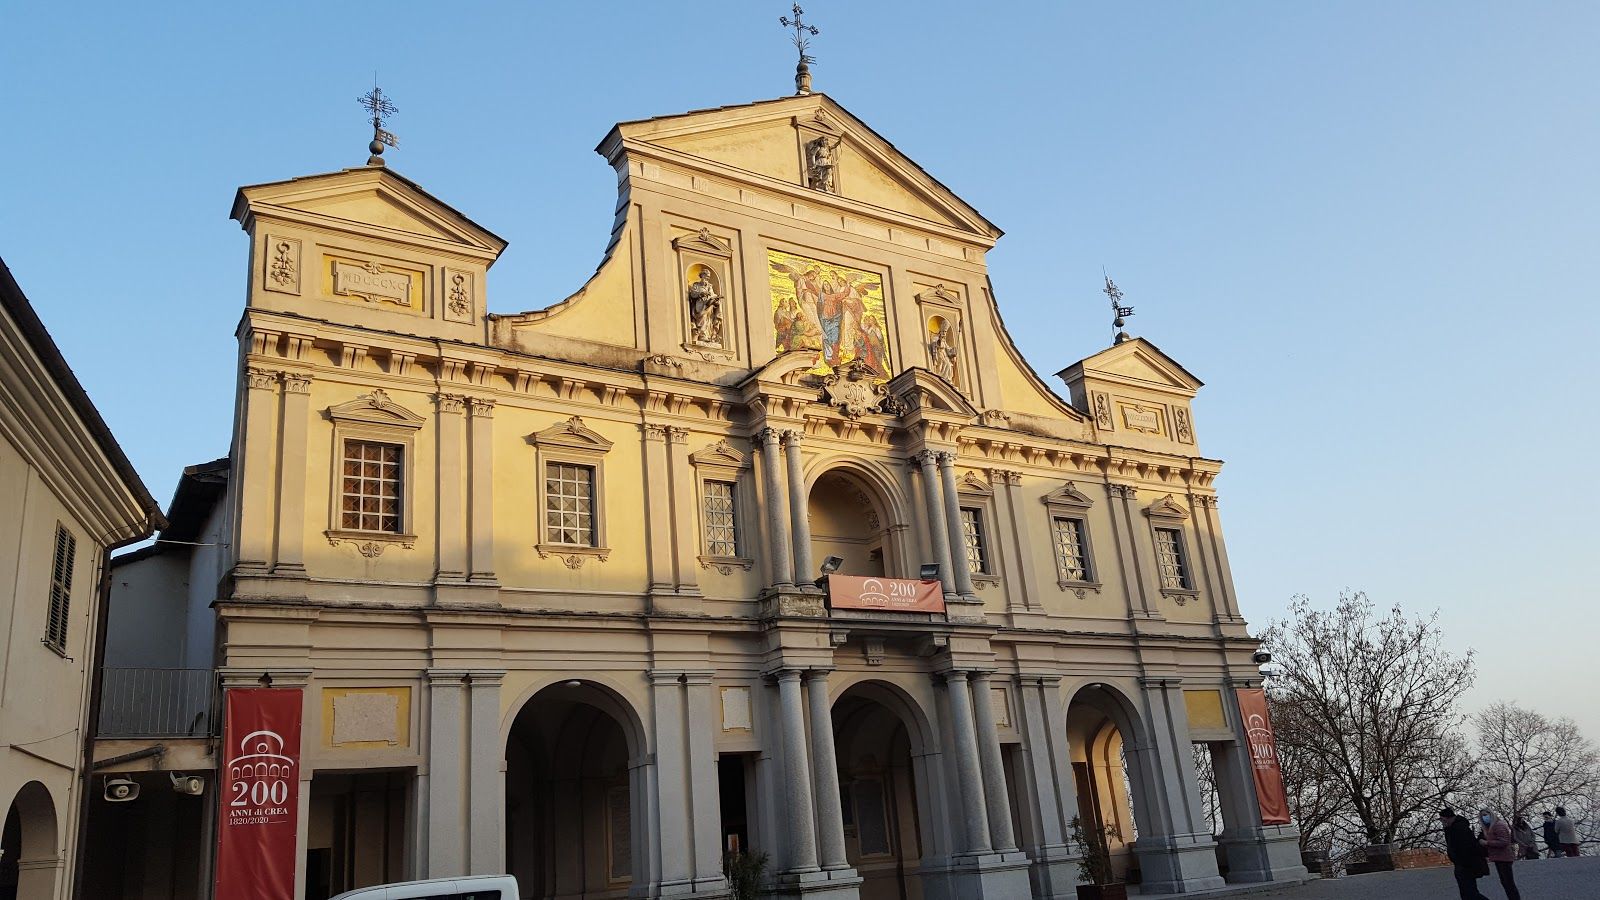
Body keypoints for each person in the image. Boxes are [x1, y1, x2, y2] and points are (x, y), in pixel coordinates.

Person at [1441, 807, 1490, 900]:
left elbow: (1465, 848)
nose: (1443, 823)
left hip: (1466, 865)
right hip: (1463, 865)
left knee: (1470, 894)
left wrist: (1463, 863)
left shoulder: (1459, 829)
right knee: (1467, 894)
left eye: (1444, 820)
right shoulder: (1454, 828)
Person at [1477, 808, 1522, 900]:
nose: (1484, 818)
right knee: (1506, 883)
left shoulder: (1498, 825)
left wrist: (1487, 843)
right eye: (1482, 816)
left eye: (1486, 815)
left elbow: (1504, 842)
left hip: (1504, 858)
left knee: (1508, 883)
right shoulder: (1492, 827)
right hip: (1499, 857)